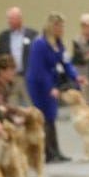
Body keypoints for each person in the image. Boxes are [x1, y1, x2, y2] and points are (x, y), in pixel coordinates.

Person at [26, 12, 79, 163]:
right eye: (60, 26)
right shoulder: (40, 43)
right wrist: (50, 87)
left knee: (51, 117)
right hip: (39, 84)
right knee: (45, 118)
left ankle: (55, 151)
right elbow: (38, 69)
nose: (62, 29)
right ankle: (48, 153)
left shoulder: (58, 42)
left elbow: (65, 62)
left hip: (51, 82)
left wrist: (75, 76)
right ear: (53, 26)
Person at [0, 6, 38, 107]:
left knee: (30, 105)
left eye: (12, 18)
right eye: (9, 19)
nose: (10, 21)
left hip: (28, 75)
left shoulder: (33, 35)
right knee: (13, 105)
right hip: (10, 78)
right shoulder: (3, 36)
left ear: (20, 19)